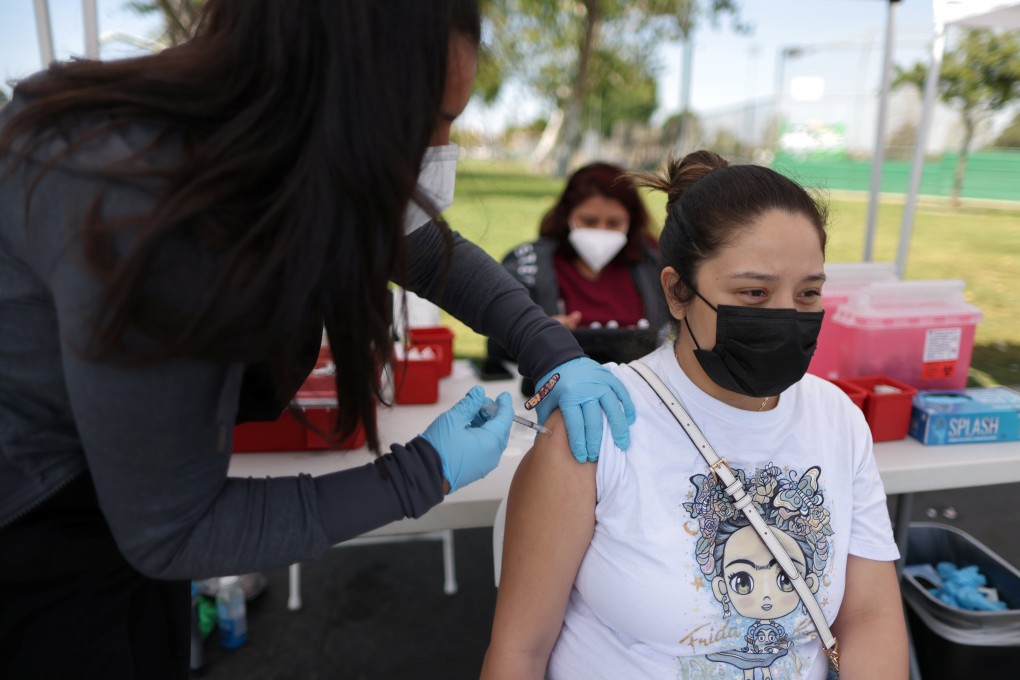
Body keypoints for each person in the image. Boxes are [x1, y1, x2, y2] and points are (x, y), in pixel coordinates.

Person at [0, 2, 635, 676]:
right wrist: (423, 472)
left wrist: (547, 346)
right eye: (432, 122)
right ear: (338, 93)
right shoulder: (136, 209)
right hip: (37, 541)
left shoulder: (260, 138)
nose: (441, 149)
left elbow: (416, 245)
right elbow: (171, 529)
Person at [481, 151, 908, 680]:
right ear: (677, 292)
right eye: (753, 293)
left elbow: (868, 617)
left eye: (808, 294)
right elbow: (520, 652)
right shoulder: (599, 420)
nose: (785, 316)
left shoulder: (837, 420)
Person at [486, 162, 669, 383]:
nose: (601, 231)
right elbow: (496, 344)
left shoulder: (653, 265)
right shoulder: (527, 265)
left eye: (614, 223)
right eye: (589, 221)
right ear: (567, 215)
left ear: (631, 221)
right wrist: (532, 333)